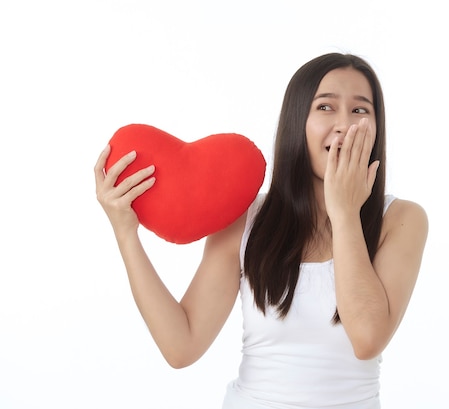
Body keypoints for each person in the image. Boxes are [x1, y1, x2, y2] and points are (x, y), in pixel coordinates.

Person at [94, 52, 429, 409]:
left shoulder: (402, 220)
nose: (344, 124)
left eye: (360, 110)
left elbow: (366, 339)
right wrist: (126, 234)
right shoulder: (247, 218)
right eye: (326, 107)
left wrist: (345, 213)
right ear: (297, 120)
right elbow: (182, 346)